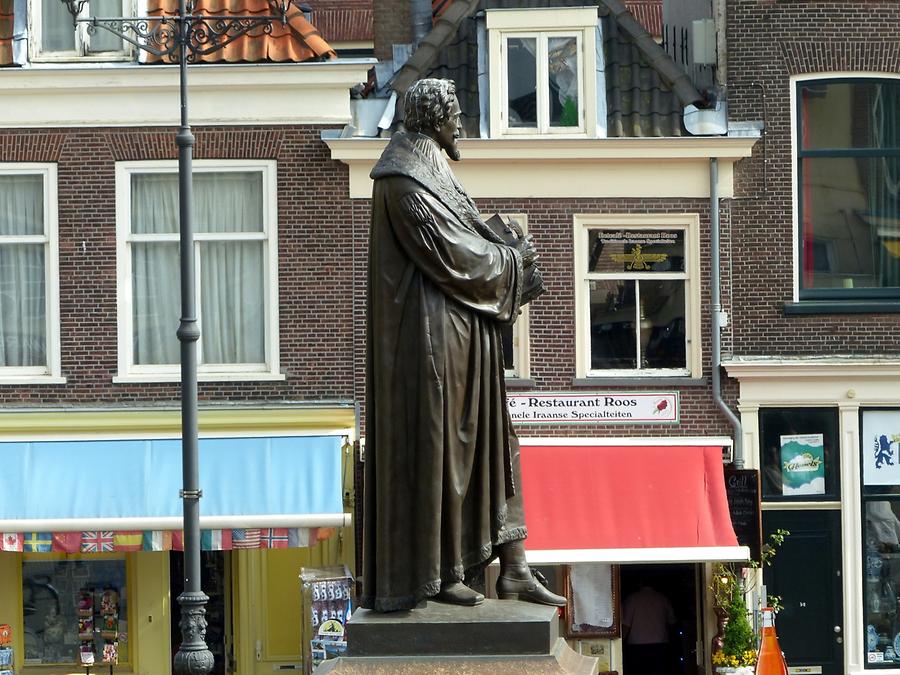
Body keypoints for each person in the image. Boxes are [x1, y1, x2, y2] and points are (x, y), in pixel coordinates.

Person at [360, 78, 563, 612]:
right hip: (431, 351)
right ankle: (437, 572)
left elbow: (467, 238)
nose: (461, 128)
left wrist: (505, 249)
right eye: (456, 117)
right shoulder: (403, 180)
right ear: (434, 119)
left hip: (465, 343)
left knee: (498, 448)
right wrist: (515, 262)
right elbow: (453, 256)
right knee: (444, 456)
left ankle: (514, 568)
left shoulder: (432, 172)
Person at [622, 579, 676, 675]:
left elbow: (626, 624)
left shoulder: (632, 599)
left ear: (640, 583)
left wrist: (619, 643)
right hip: (660, 644)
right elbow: (671, 622)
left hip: (637, 646)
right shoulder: (662, 599)